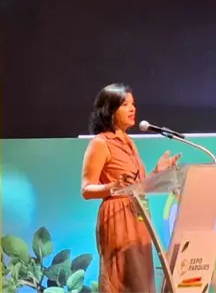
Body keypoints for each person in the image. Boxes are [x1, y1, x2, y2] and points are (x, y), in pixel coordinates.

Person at [81, 83, 181, 293]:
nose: (132, 109)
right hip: (117, 218)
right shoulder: (100, 143)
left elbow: (138, 185)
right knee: (122, 280)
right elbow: (86, 189)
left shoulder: (128, 142)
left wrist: (158, 173)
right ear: (110, 110)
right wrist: (112, 187)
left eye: (133, 104)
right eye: (125, 104)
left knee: (140, 281)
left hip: (139, 215)